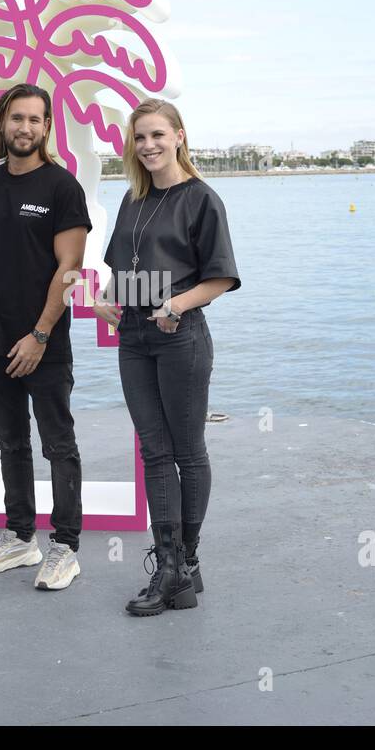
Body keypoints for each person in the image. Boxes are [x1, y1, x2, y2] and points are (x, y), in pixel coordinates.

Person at [94, 99, 240, 616]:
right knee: (153, 452)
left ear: (179, 135)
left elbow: (219, 276)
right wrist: (104, 299)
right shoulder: (133, 199)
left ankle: (186, 563)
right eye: (139, 138)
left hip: (182, 337)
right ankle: (171, 565)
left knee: (187, 450)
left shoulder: (202, 199)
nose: (149, 145)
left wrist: (175, 303)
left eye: (157, 135)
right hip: (134, 337)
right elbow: (123, 266)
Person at [0, 83, 91, 590]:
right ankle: (20, 537)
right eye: (17, 118)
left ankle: (65, 546)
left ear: (47, 127)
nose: (25, 128)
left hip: (45, 343)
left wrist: (40, 334)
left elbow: (69, 267)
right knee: (10, 442)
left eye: (36, 120)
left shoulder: (62, 187)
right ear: (3, 124)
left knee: (58, 444)